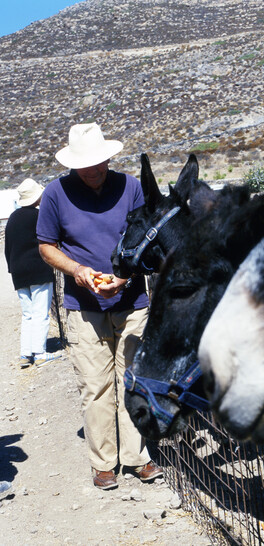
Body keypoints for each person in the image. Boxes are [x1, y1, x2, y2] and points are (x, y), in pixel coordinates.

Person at [36, 123, 162, 490]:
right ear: (73, 165)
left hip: (133, 301)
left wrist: (125, 275)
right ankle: (104, 463)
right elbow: (46, 245)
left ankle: (139, 457)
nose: (95, 170)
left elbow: (147, 239)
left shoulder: (131, 187)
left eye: (100, 162)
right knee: (95, 386)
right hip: (83, 306)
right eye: (87, 165)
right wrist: (77, 271)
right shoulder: (56, 194)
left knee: (133, 381)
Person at [4, 178, 59, 368]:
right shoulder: (39, 216)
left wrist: (12, 270)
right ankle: (40, 353)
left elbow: (7, 248)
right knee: (40, 312)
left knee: (27, 314)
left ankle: (25, 353)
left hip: (18, 272)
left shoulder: (12, 218)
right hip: (38, 269)